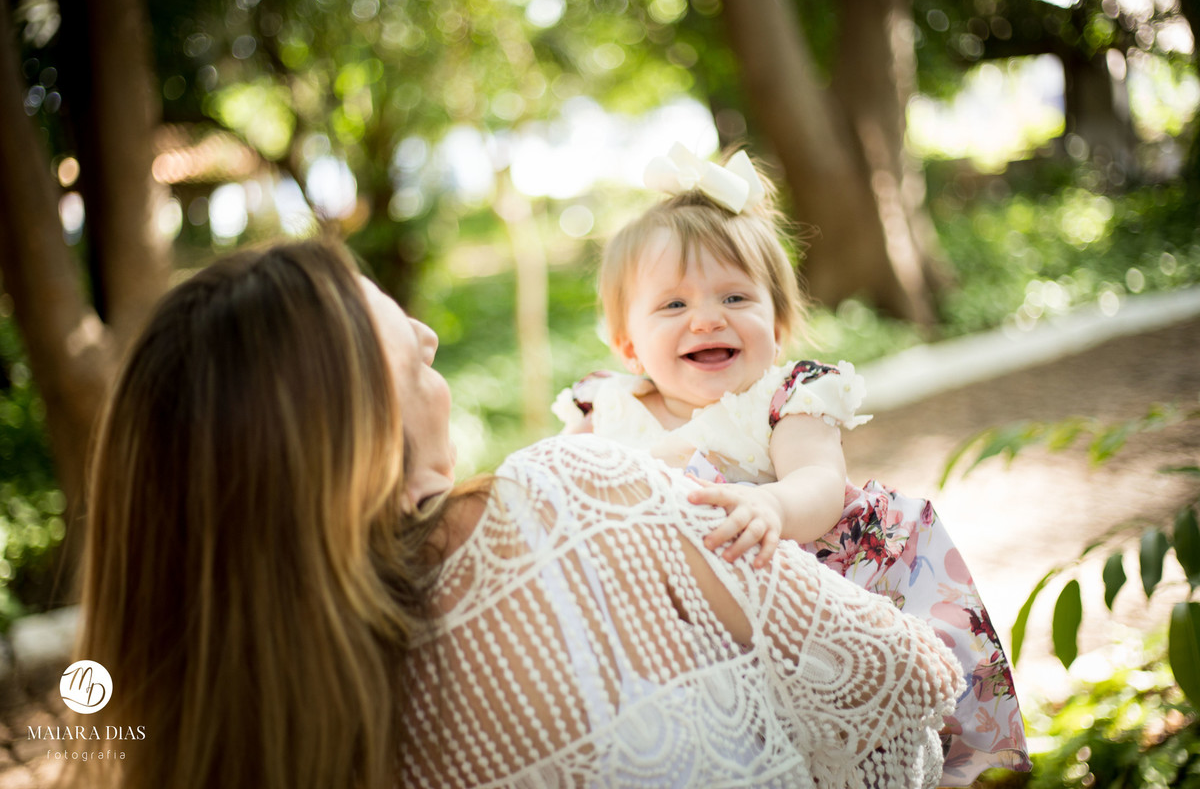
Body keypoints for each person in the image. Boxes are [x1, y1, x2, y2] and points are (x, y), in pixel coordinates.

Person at [71, 239, 961, 789]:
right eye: (381, 317)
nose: (426, 332)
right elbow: (905, 682)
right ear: (330, 413)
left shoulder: (246, 731)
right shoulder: (561, 499)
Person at [552, 143, 1032, 784]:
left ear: (777, 325)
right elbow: (559, 478)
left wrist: (770, 503)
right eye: (673, 305)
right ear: (627, 342)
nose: (705, 318)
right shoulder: (601, 405)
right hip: (682, 623)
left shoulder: (783, 400)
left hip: (806, 607)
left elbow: (819, 483)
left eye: (734, 297)